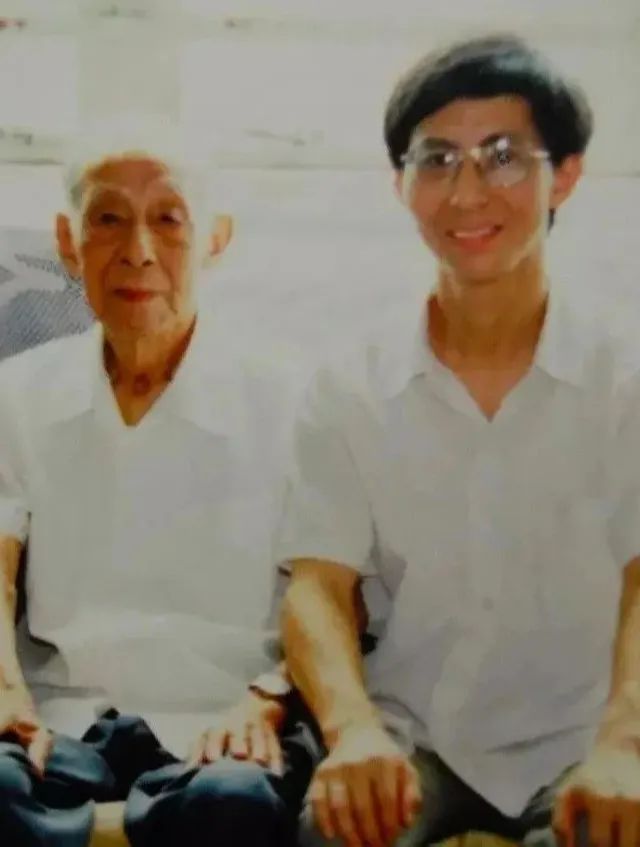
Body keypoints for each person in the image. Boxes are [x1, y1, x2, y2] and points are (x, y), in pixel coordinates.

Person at [277, 35, 640, 847]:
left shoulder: (625, 376)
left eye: (503, 158)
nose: (467, 192)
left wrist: (627, 743)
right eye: (437, 160)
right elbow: (317, 588)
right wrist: (353, 731)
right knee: (333, 835)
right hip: (413, 740)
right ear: (401, 184)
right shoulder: (350, 384)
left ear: (566, 175)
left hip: (589, 739)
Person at [0, 122, 318, 847]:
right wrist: (5, 689)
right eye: (108, 219)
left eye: (169, 219)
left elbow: (333, 587)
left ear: (216, 238)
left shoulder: (294, 400)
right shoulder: (14, 395)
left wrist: (270, 697)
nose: (138, 250)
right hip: (60, 719)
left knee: (233, 803)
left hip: (228, 723)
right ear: (68, 241)